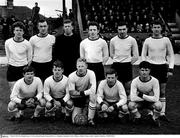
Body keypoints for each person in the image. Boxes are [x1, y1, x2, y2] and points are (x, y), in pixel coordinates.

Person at [141, 20, 174, 122]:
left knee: (162, 91)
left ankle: (162, 113)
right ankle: (151, 113)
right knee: (151, 91)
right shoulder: (147, 40)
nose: (156, 29)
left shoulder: (166, 40)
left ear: (161, 28)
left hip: (162, 67)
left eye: (158, 27)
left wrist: (170, 69)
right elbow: (143, 54)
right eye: (154, 27)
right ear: (151, 28)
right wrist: (145, 67)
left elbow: (171, 55)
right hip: (151, 68)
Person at [109, 21, 139, 98]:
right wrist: (118, 60)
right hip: (116, 65)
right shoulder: (113, 40)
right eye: (120, 29)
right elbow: (111, 54)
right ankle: (118, 105)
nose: (122, 31)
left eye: (123, 29)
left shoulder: (132, 40)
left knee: (128, 88)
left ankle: (127, 106)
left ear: (127, 29)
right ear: (117, 30)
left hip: (127, 66)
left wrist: (128, 62)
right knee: (115, 87)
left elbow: (136, 56)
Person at [128, 61, 162, 127]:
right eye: (142, 70)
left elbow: (156, 98)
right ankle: (138, 117)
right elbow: (132, 97)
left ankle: (155, 118)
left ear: (150, 71)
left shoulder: (155, 81)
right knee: (130, 104)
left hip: (149, 103)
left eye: (146, 70)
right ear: (139, 70)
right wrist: (148, 97)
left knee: (159, 105)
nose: (144, 72)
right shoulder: (135, 81)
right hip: (140, 103)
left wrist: (141, 95)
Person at [68, 58, 96, 126]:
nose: (80, 68)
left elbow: (93, 90)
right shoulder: (71, 76)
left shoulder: (91, 73)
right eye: (79, 66)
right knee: (75, 121)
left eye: (82, 66)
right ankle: (83, 110)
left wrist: (81, 93)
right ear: (76, 66)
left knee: (93, 96)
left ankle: (90, 119)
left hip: (87, 97)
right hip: (77, 98)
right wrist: (84, 93)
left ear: (86, 66)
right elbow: (72, 93)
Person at [5, 21, 32, 92]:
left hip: (23, 68)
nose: (19, 32)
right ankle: (14, 101)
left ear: (23, 32)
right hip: (12, 68)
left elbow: (29, 58)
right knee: (13, 90)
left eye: (21, 30)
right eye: (17, 30)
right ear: (13, 31)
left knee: (23, 90)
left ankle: (23, 102)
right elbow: (8, 55)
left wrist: (26, 69)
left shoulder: (27, 43)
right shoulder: (8, 42)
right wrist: (10, 63)